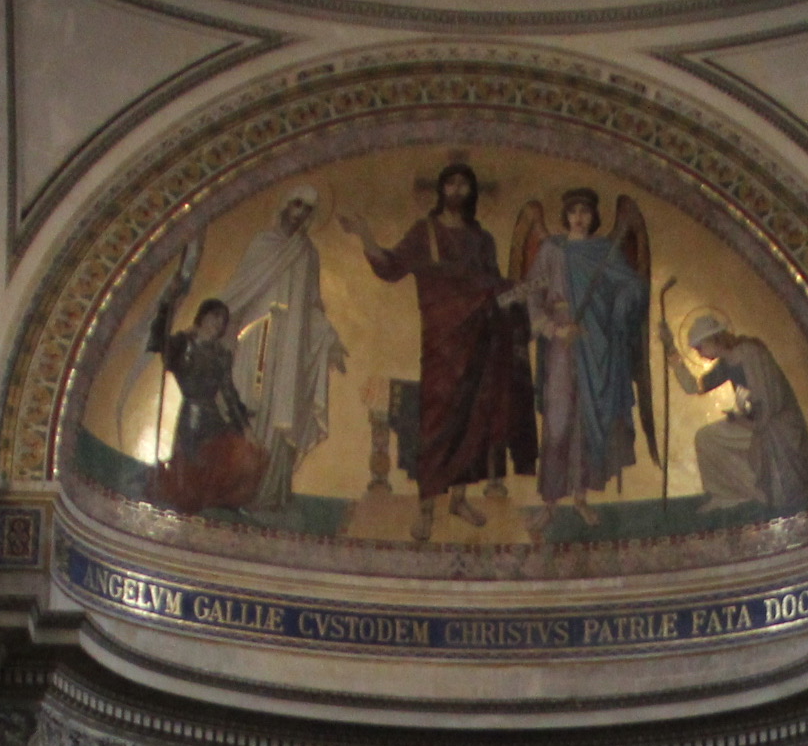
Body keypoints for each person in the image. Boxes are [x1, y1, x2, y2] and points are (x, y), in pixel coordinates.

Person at [340, 161, 537, 540]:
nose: (457, 190)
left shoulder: (482, 240)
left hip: (478, 340)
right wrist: (365, 235)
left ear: (472, 192)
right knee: (436, 424)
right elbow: (391, 267)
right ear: (441, 190)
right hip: (441, 342)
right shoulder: (424, 232)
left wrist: (523, 292)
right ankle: (426, 509)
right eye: (451, 183)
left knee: (472, 422)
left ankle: (459, 500)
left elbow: (494, 286)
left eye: (464, 184)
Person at [503, 185, 648, 523]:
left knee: (586, 421)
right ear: (565, 216)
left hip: (596, 343)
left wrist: (621, 303)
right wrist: (552, 329)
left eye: (585, 211)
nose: (579, 218)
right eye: (573, 212)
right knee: (558, 420)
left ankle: (581, 497)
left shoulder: (605, 251)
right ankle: (550, 501)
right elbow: (531, 296)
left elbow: (634, 285)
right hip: (561, 343)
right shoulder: (552, 250)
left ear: (593, 216)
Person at [215, 184, 349, 509]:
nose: (300, 214)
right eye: (297, 204)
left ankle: (267, 494)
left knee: (281, 410)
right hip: (255, 338)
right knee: (247, 401)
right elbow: (239, 290)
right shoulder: (263, 244)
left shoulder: (308, 254)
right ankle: (231, 488)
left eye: (307, 209)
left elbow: (312, 306)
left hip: (290, 347)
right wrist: (212, 325)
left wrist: (330, 341)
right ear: (285, 205)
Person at [661, 309, 808, 516]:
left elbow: (768, 402)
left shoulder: (751, 354)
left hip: (777, 425)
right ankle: (726, 495)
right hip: (754, 422)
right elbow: (694, 386)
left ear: (713, 339)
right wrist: (671, 350)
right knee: (706, 438)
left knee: (749, 442)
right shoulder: (726, 364)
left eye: (700, 347)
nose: (699, 354)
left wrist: (744, 418)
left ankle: (759, 490)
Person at [143, 254, 265, 515]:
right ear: (203, 317)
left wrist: (245, 427)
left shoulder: (221, 355)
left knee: (237, 454)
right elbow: (158, 341)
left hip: (212, 416)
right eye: (214, 317)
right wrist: (167, 304)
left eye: (222, 320)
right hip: (192, 414)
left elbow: (228, 393)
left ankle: (226, 501)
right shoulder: (182, 344)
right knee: (192, 466)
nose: (217, 323)